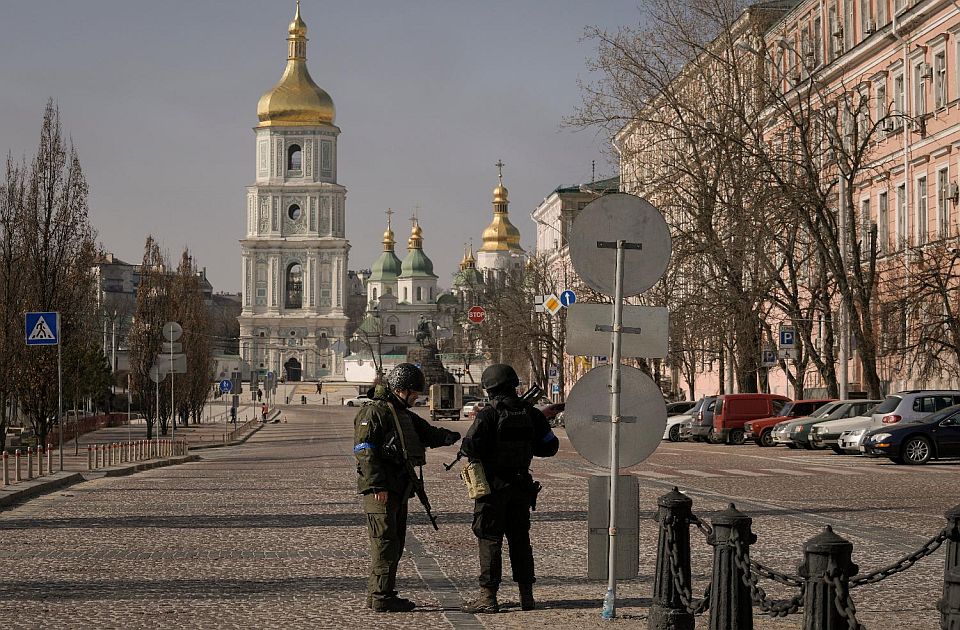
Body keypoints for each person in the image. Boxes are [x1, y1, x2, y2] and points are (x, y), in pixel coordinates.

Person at [353, 363, 461, 613]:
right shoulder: (375, 412)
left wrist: (451, 436)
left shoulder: (402, 413)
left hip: (399, 489)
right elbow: (364, 451)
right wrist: (377, 484)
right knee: (384, 544)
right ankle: (381, 596)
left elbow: (426, 434)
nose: (416, 398)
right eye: (414, 394)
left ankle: (380, 594)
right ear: (401, 390)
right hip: (381, 490)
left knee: (395, 543)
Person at [460, 364, 559, 614]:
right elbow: (550, 446)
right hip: (521, 486)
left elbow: (471, 446)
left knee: (489, 538)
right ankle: (527, 596)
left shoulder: (489, 414)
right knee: (520, 540)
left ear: (490, 388)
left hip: (493, 488)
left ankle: (488, 596)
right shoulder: (532, 414)